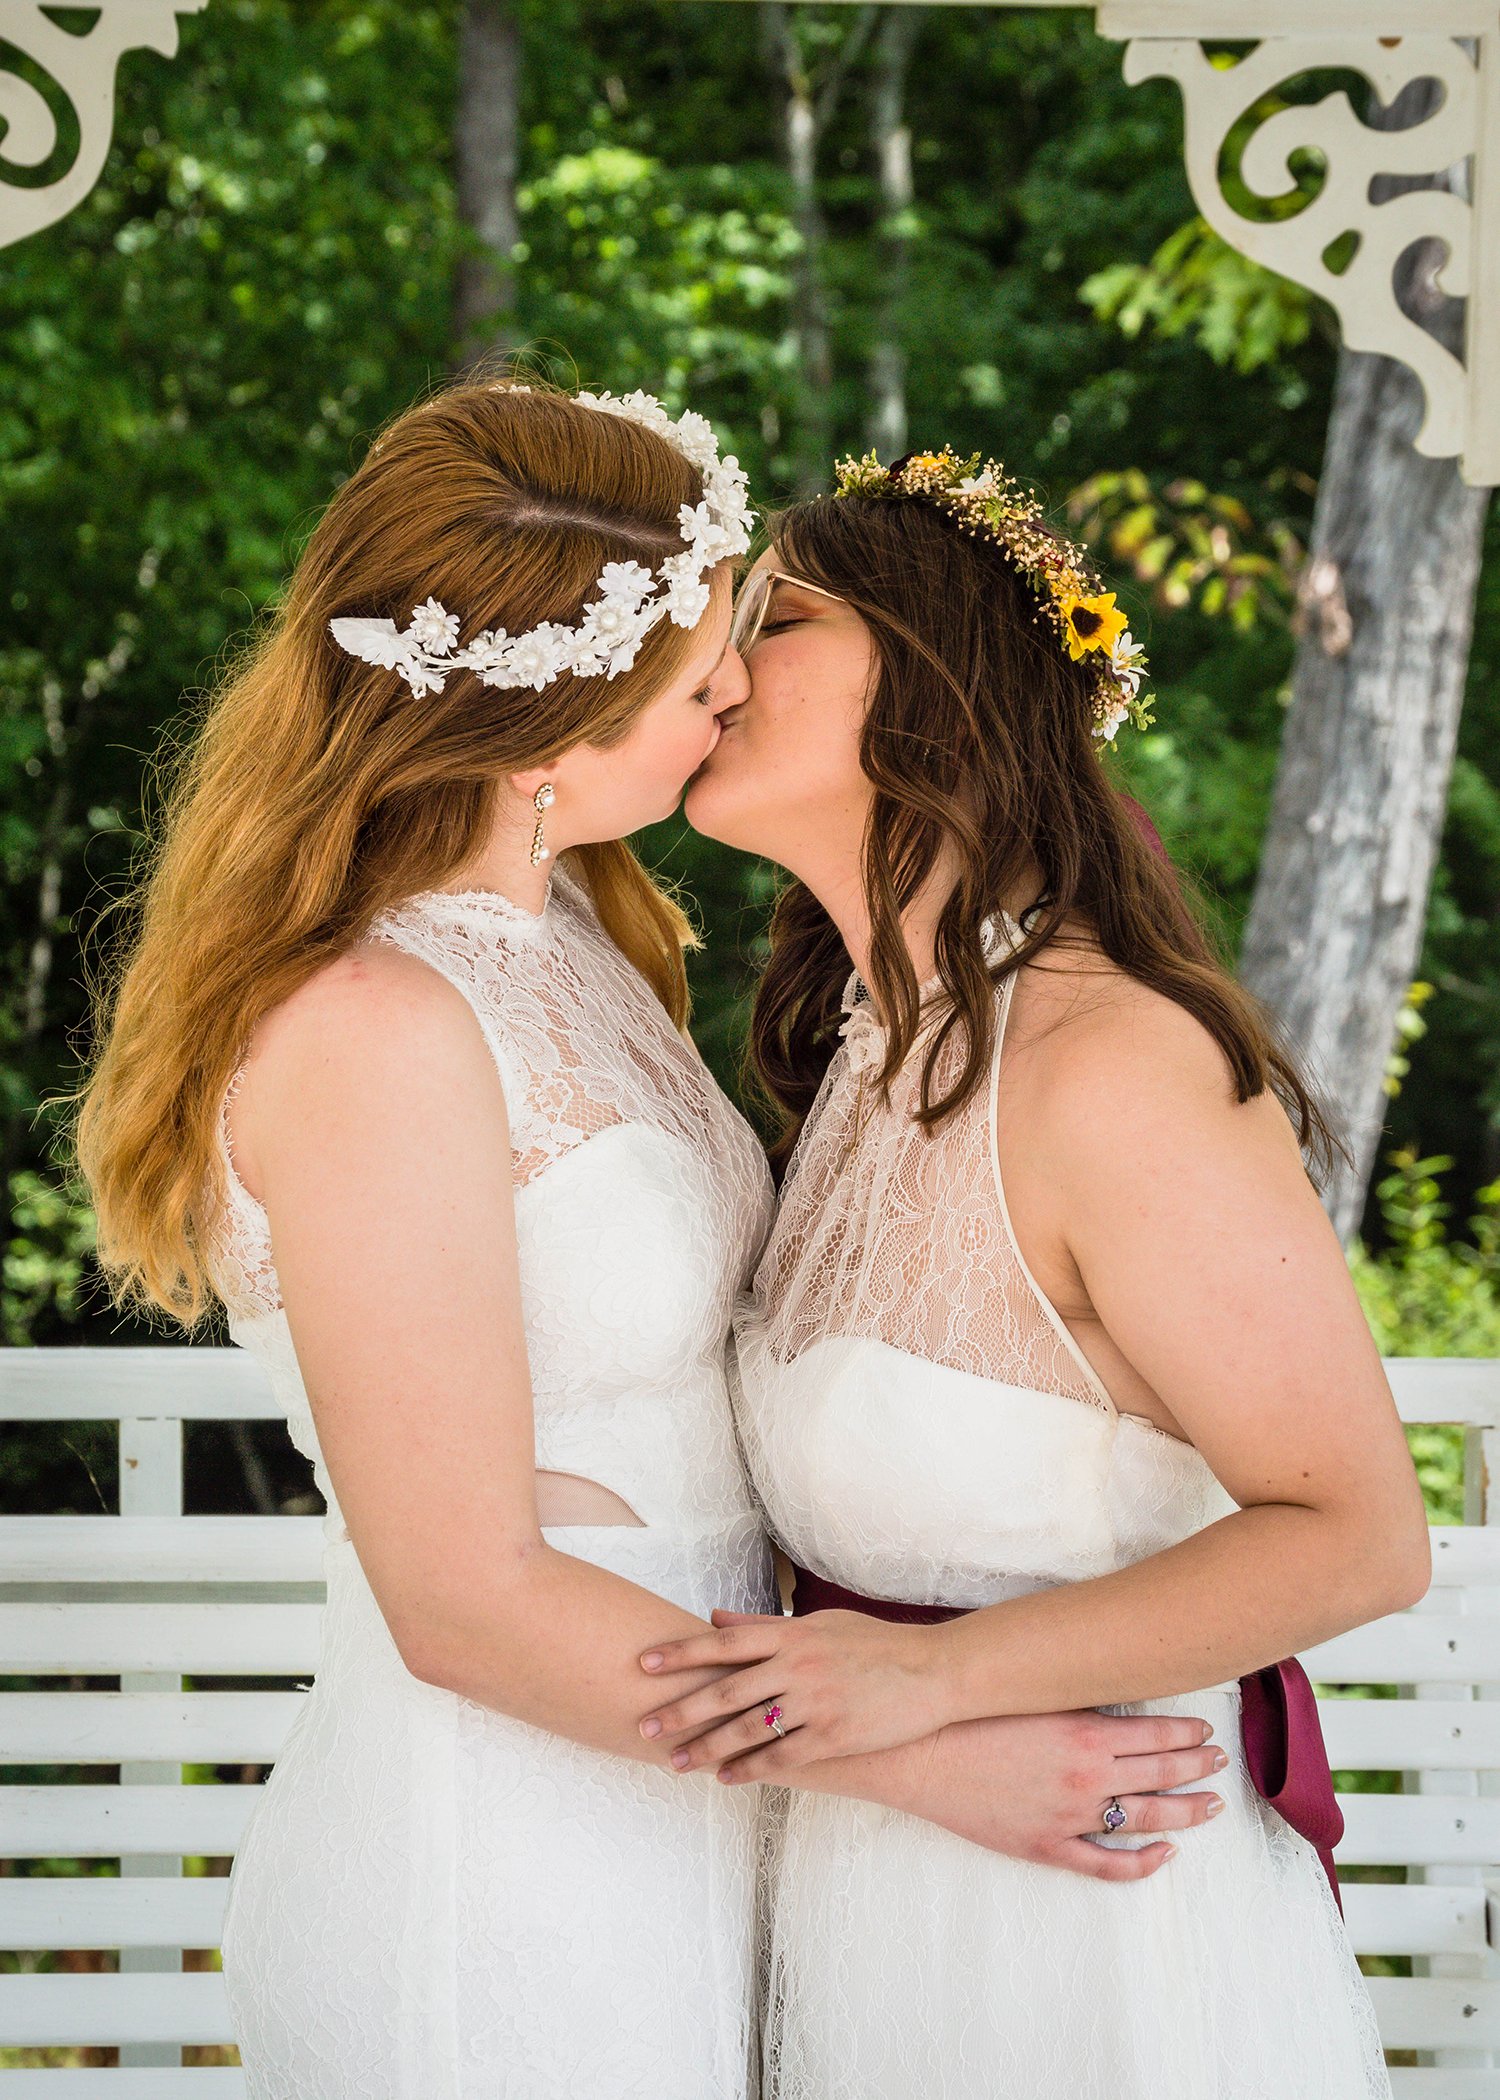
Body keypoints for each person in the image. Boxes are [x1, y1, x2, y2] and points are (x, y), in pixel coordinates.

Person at [71, 393, 1225, 2098]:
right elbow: (463, 1599)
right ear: (547, 724)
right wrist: (920, 1764)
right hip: (505, 1855)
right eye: (700, 671)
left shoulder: (583, 952)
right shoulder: (378, 1024)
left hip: (694, 1794)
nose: (736, 691)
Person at [651, 446, 1430, 2098]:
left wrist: (931, 1679)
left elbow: (1359, 1534)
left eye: (776, 619)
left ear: (931, 681)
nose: (713, 668)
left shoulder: (1112, 1064)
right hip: (860, 1886)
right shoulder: (867, 1055)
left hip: (1085, 1933)